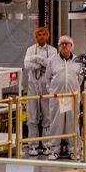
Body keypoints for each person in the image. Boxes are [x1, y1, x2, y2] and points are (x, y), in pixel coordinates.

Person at [47, 35, 85, 160]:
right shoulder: (52, 60)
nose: (64, 46)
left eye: (66, 43)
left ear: (71, 46)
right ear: (59, 46)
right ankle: (54, 150)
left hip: (72, 97)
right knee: (56, 124)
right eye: (62, 43)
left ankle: (74, 150)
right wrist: (52, 92)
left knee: (72, 124)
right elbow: (47, 79)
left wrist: (73, 90)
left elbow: (80, 79)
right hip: (57, 98)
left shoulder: (77, 61)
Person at [22, 25, 57, 156]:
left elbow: (51, 64)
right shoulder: (30, 49)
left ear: (47, 36)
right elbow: (27, 64)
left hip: (46, 85)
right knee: (32, 116)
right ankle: (33, 145)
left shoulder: (53, 51)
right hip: (32, 85)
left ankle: (47, 144)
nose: (41, 37)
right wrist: (41, 62)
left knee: (47, 115)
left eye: (43, 34)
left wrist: (37, 59)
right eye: (39, 35)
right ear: (35, 37)